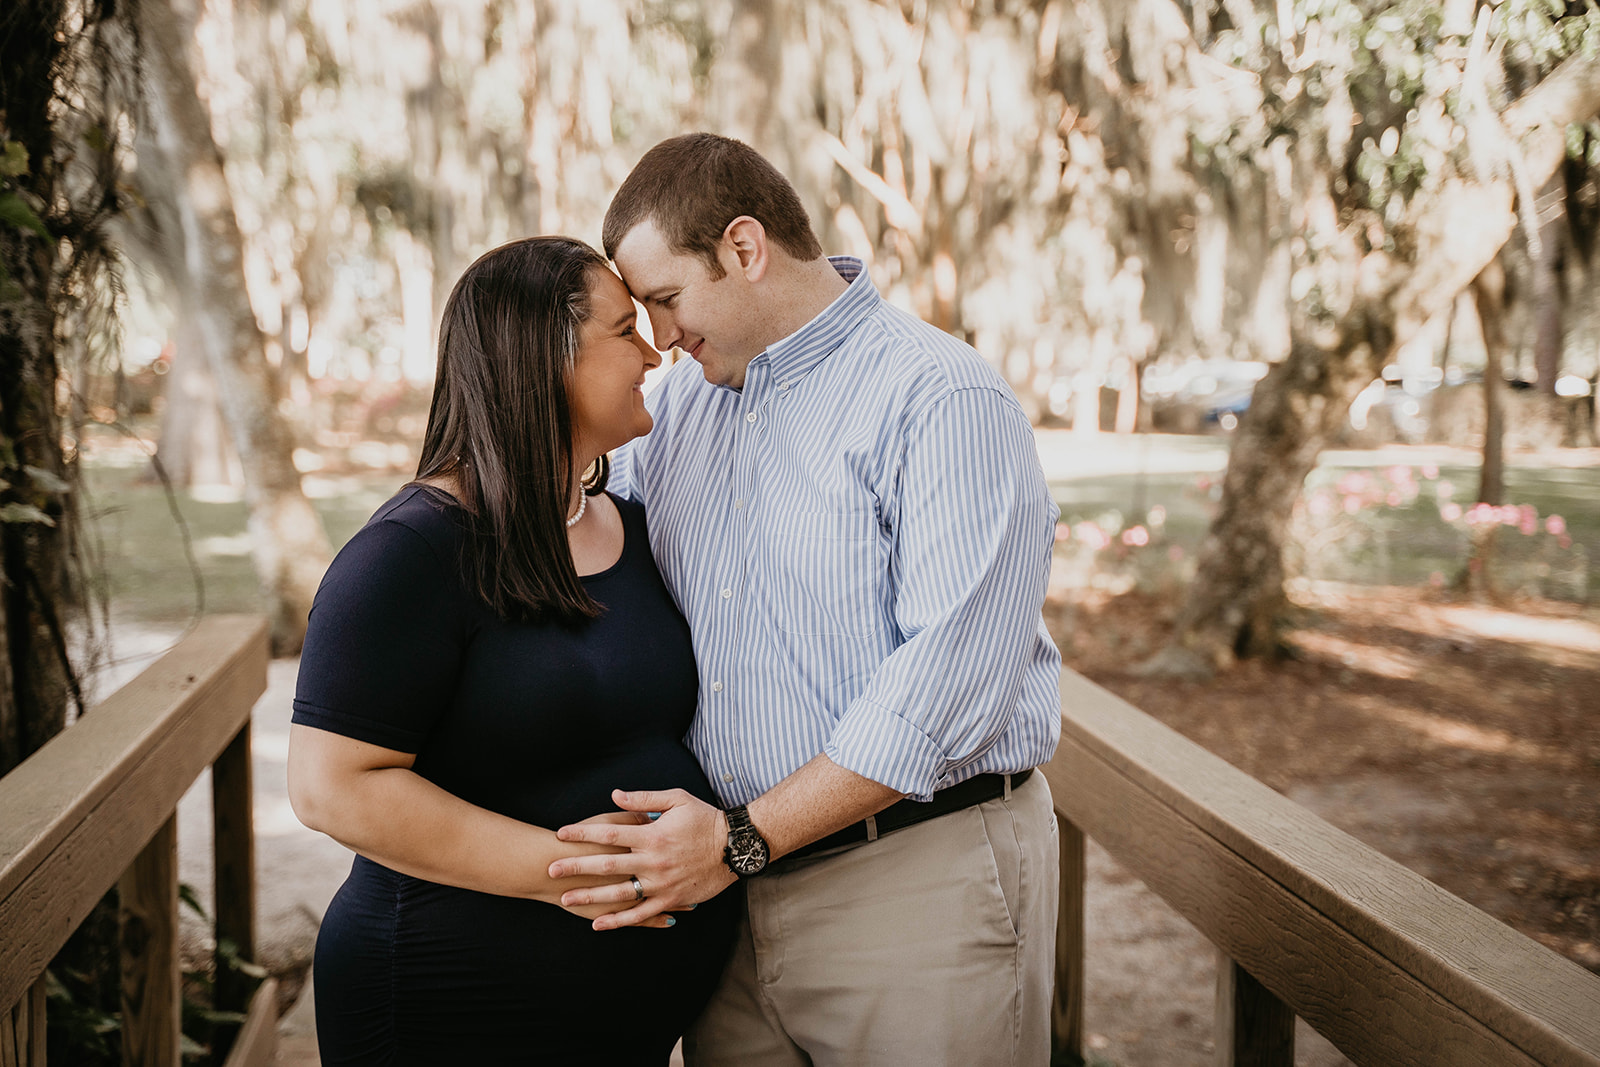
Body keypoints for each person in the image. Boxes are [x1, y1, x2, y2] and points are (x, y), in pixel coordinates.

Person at [550, 134, 1064, 1065]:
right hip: (729, 904)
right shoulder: (679, 413)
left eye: (666, 301)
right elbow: (578, 534)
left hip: (916, 885)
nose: (660, 341)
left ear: (744, 249)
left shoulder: (940, 398)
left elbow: (945, 688)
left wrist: (741, 840)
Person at [285, 236, 739, 1065]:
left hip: (617, 1026)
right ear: (544, 358)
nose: (656, 350)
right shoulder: (411, 552)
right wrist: (573, 871)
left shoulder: (631, 528)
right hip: (449, 1004)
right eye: (623, 330)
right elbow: (330, 787)